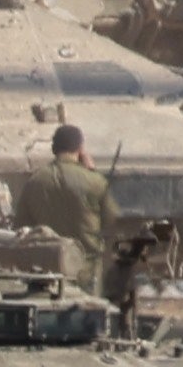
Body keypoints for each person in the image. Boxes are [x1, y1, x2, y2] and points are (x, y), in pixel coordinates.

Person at [12, 123, 112, 293]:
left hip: (47, 276)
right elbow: (110, 223)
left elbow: (21, 229)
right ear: (80, 149)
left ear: (53, 149)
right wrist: (92, 173)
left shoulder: (35, 182)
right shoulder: (95, 182)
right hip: (87, 277)